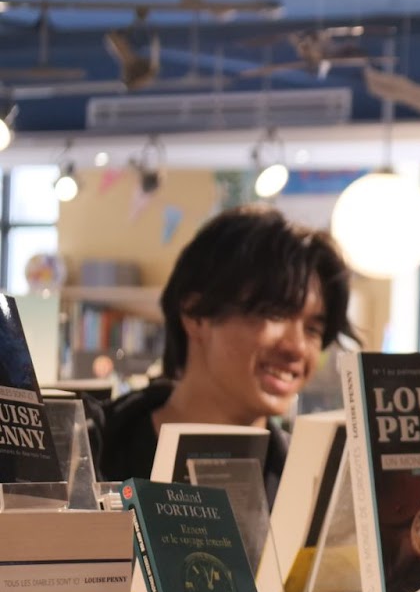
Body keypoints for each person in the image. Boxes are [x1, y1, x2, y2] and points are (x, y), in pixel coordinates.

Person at [93, 206, 352, 503]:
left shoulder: (313, 484)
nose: (296, 347)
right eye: (273, 314)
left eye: (313, 329)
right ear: (195, 314)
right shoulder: (92, 453)